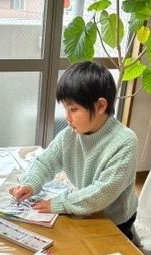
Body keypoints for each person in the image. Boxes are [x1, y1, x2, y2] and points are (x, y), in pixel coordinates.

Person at [9, 61, 138, 241]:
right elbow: (46, 162)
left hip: (113, 220)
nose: (67, 117)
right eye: (65, 109)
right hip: (85, 209)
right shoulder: (70, 134)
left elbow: (102, 193)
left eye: (74, 109)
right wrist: (31, 183)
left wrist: (61, 203)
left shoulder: (125, 141)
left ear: (101, 106)